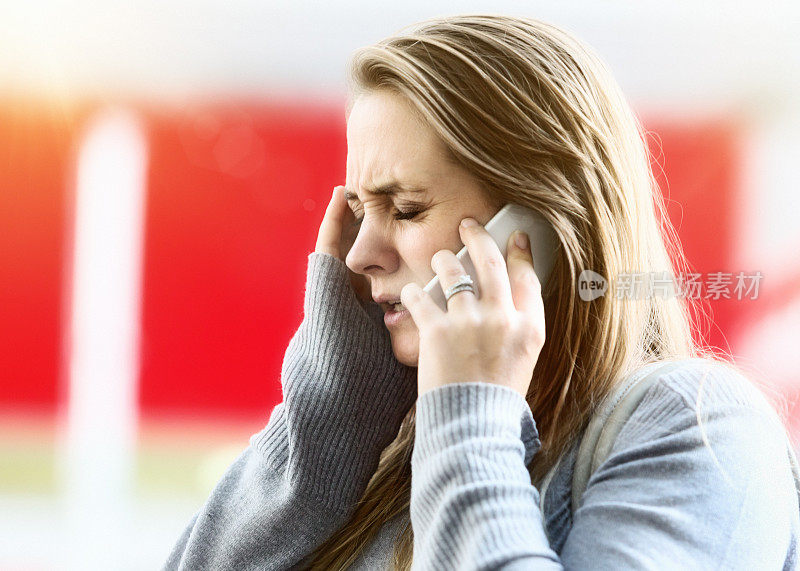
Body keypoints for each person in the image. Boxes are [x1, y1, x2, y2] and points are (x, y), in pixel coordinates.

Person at [163, 14, 799, 570]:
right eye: (359, 210)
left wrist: (470, 414)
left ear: (533, 232)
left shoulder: (696, 427)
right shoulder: (390, 458)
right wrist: (332, 418)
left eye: (406, 209)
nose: (358, 255)